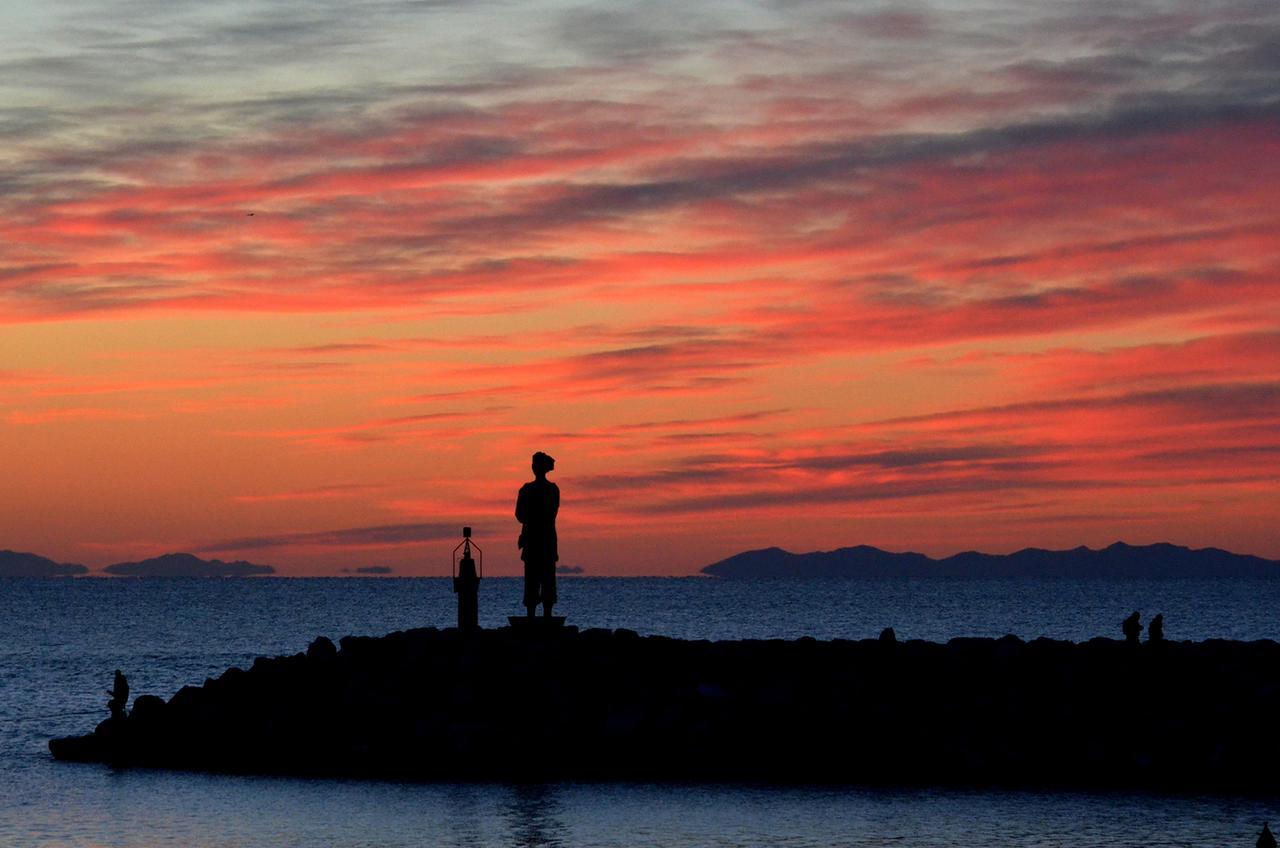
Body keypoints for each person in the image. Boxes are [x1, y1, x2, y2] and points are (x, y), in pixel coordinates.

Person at [516, 451, 560, 618]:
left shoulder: (529, 490)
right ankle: (541, 616)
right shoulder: (550, 490)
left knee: (537, 580)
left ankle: (535, 616)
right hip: (542, 540)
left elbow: (520, 515)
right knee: (541, 580)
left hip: (538, 540)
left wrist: (531, 517)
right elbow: (521, 515)